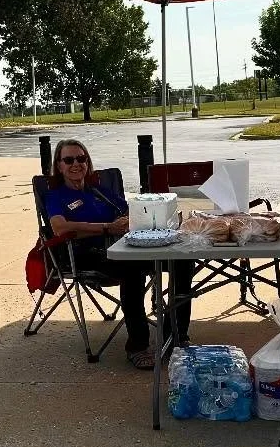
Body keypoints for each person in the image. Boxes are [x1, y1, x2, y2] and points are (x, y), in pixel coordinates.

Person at [42, 139, 192, 369]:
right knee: (131, 269)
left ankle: (175, 335)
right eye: (69, 160)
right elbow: (59, 228)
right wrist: (106, 227)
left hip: (125, 247)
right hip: (86, 255)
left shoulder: (98, 191)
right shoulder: (56, 196)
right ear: (59, 166)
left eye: (81, 158)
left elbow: (132, 210)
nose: (76, 164)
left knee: (182, 260)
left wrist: (140, 217)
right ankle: (137, 346)